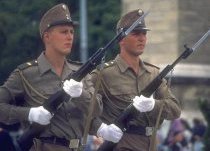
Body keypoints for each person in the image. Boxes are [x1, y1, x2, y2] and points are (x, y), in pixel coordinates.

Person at [0, 3, 123, 151]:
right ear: (47, 37)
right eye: (64, 32)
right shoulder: (26, 74)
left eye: (72, 32)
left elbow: (95, 110)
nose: (70, 37)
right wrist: (30, 114)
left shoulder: (81, 72)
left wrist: (82, 98)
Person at [90, 9, 181, 151]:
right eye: (136, 34)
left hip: (150, 145)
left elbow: (175, 110)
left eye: (144, 34)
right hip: (121, 144)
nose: (142, 38)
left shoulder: (153, 73)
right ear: (121, 39)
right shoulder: (104, 74)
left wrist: (153, 105)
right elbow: (82, 110)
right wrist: (101, 129)